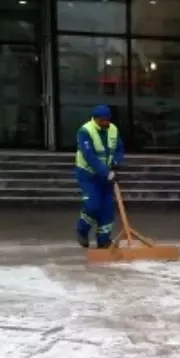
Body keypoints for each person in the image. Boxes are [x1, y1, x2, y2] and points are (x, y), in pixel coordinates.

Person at [74, 104, 125, 249]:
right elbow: (89, 157)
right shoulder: (85, 131)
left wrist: (116, 161)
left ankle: (103, 240)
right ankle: (82, 230)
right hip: (88, 174)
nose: (105, 123)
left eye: (107, 120)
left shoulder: (113, 129)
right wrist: (107, 172)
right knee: (93, 205)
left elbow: (119, 148)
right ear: (95, 119)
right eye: (102, 120)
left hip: (106, 175)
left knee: (107, 208)